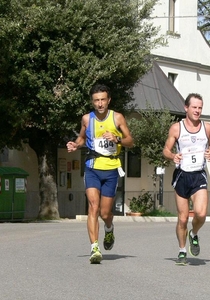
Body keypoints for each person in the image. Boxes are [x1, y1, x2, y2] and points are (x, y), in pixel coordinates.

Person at [66, 83, 133, 264]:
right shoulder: (87, 119)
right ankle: (94, 248)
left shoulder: (117, 118)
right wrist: (75, 144)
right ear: (92, 102)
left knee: (105, 213)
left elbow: (130, 140)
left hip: (111, 169)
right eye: (96, 100)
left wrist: (117, 138)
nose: (100, 104)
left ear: (108, 100)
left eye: (103, 100)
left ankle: (109, 228)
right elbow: (82, 138)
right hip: (92, 168)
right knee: (93, 207)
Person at [163, 93, 210, 265]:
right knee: (183, 218)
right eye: (194, 107)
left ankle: (194, 233)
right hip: (181, 176)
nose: (197, 111)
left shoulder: (206, 127)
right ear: (186, 108)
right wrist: (173, 156)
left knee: (201, 213)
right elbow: (166, 150)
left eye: (200, 107)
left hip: (198, 174)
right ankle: (181, 250)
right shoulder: (176, 128)